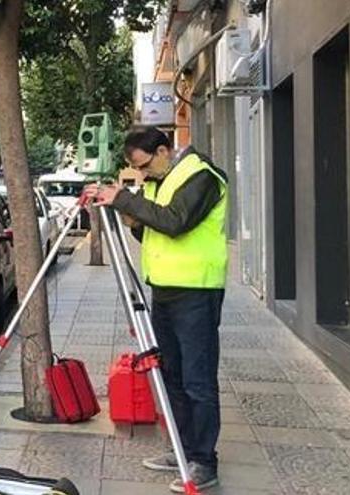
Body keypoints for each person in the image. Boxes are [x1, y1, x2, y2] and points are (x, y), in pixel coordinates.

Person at [86, 127, 228, 493]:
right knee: (172, 376)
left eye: (144, 165)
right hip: (164, 289)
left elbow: (175, 223)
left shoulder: (202, 177)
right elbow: (153, 232)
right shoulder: (158, 180)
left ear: (164, 151)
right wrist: (131, 218)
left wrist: (125, 200)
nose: (143, 174)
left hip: (197, 291)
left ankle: (203, 462)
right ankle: (180, 449)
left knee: (198, 380)